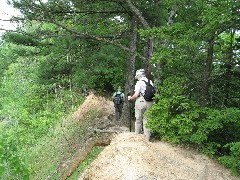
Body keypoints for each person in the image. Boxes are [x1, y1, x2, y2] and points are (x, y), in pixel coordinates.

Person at [128, 69, 154, 141]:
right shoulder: (150, 81)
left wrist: (131, 98)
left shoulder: (139, 83)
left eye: (137, 76)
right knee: (147, 120)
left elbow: (136, 94)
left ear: (139, 75)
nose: (137, 78)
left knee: (138, 119)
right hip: (150, 102)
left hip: (141, 101)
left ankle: (137, 137)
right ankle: (147, 139)